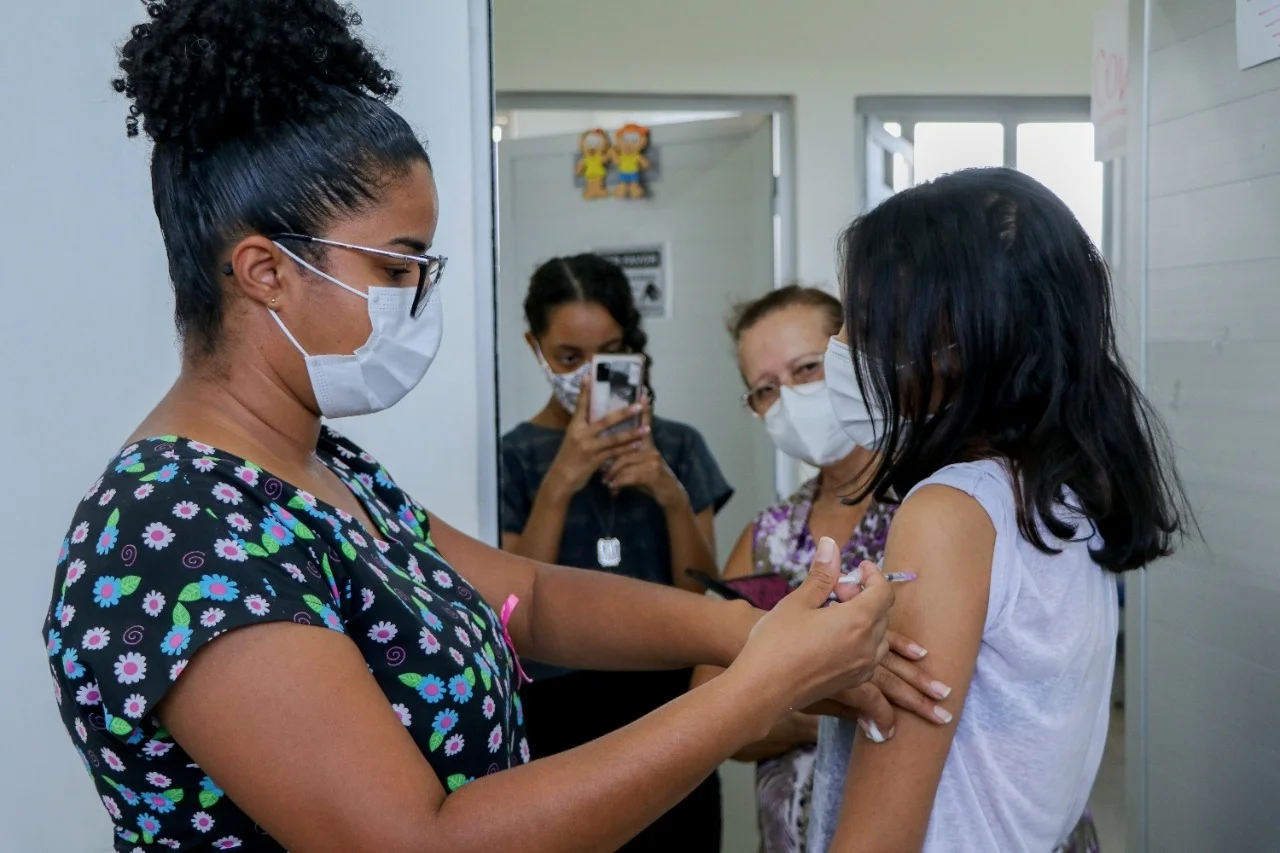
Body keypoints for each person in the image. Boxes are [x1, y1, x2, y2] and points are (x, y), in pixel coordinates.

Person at [40, 3, 944, 851]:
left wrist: (754, 633)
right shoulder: (177, 533)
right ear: (264, 271)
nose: (420, 299)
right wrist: (756, 692)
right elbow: (418, 839)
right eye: (398, 268)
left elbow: (536, 600)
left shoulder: (325, 470)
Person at [808, 167, 1188, 853]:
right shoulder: (1060, 490)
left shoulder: (950, 513)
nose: (842, 347)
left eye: (862, 324)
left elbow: (879, 836)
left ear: (954, 345)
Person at [689, 285, 939, 853]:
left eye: (807, 368)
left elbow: (947, 694)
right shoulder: (768, 536)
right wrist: (831, 702)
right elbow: (709, 708)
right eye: (766, 389)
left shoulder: (937, 503)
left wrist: (779, 695)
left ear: (858, 359)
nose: (792, 398)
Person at [500, 253, 730, 850]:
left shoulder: (679, 445)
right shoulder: (513, 456)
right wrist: (563, 478)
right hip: (553, 703)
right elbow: (511, 602)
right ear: (535, 347)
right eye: (569, 358)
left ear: (631, 346)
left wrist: (671, 496)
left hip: (668, 700)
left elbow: (698, 596)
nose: (590, 373)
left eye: (609, 353)